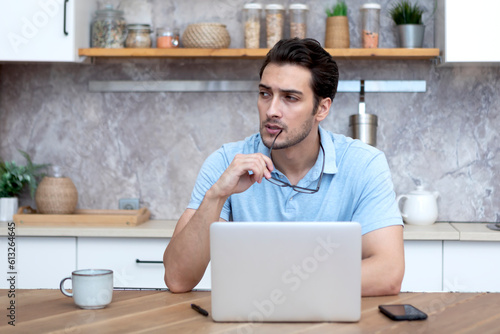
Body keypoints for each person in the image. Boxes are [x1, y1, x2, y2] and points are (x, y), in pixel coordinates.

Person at [163, 38, 404, 297]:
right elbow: (178, 279)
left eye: (290, 97)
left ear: (321, 108)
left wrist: (282, 286)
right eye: (265, 94)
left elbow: (388, 273)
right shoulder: (226, 162)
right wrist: (216, 195)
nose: (271, 110)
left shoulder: (364, 164)